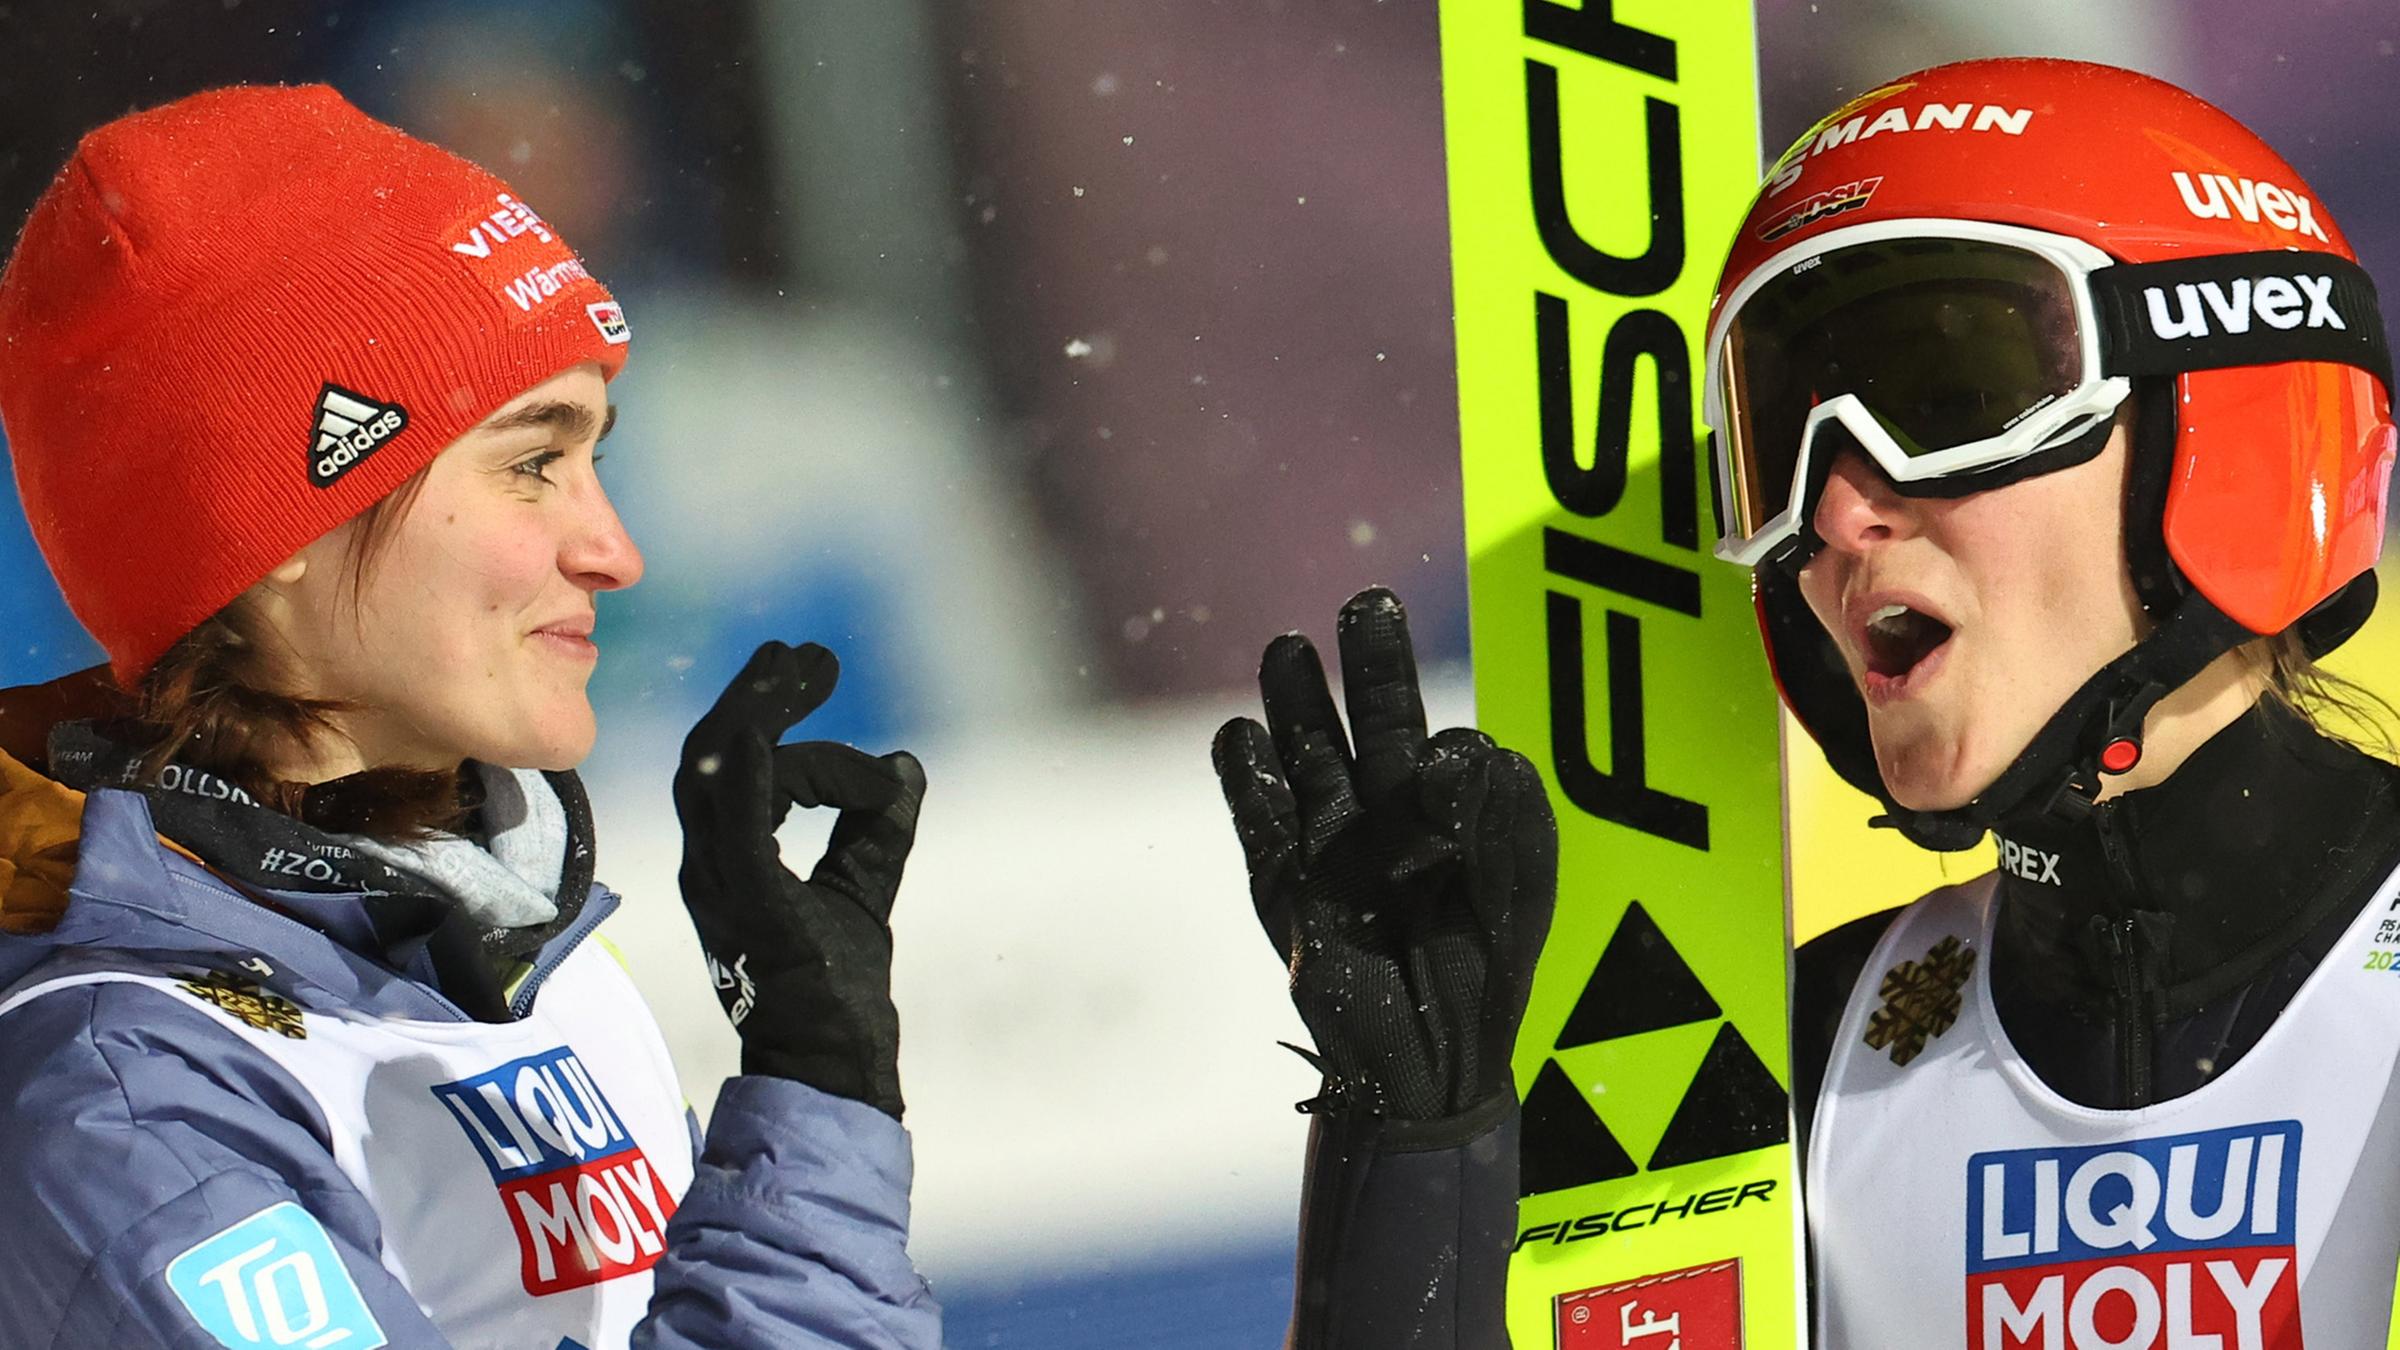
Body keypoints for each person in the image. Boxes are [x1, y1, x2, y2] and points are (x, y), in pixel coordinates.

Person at [1216, 57, 2400, 1346]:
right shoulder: (1799, 1063)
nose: (1838, 513)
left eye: (1949, 398)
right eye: (1783, 440)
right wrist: (1415, 1160)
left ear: (2225, 410)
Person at [0, 85, 941, 1347]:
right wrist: (815, 1124)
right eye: (530, 461)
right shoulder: (127, 1100)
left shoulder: (496, 941)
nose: (614, 549)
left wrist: (1311, 1150)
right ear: (274, 528)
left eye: (596, 454)